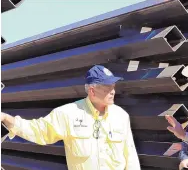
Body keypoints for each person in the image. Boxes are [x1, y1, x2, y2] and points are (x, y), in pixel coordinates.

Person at [1, 65, 141, 170]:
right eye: (107, 88)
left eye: (114, 87)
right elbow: (39, 131)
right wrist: (6, 118)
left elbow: (131, 157)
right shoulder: (69, 114)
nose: (113, 92)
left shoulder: (121, 116)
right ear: (92, 91)